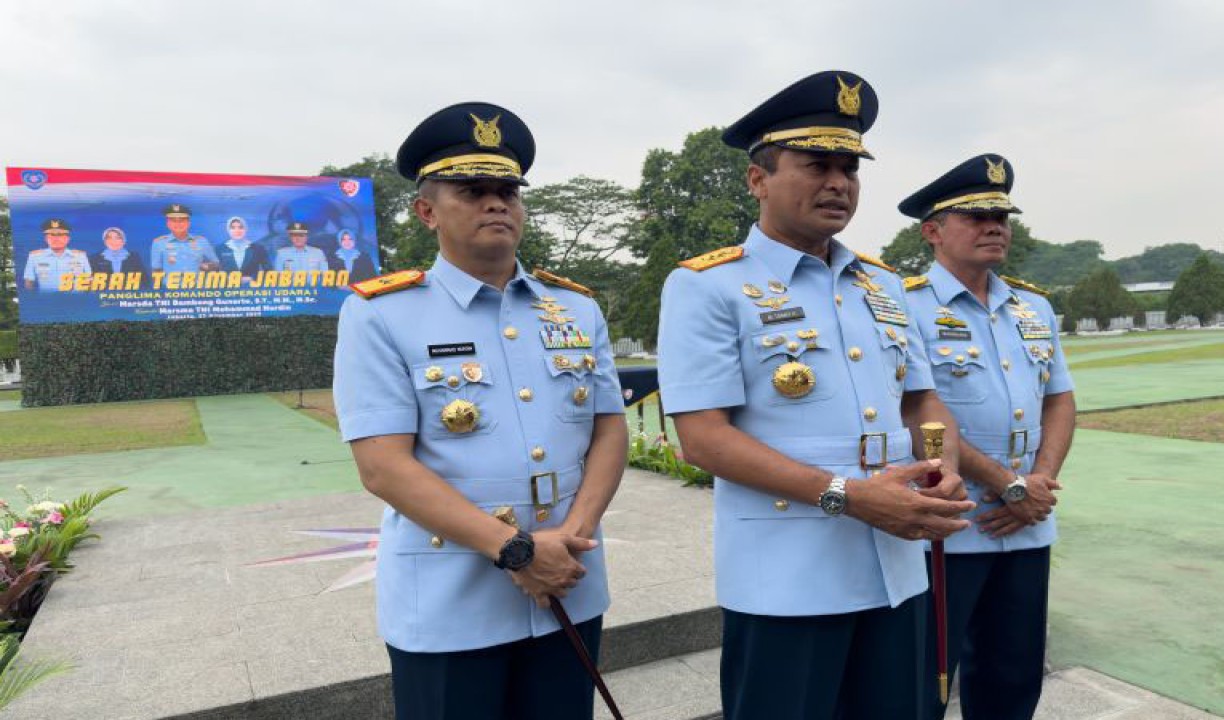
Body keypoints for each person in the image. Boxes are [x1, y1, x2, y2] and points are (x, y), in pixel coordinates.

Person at [657, 70, 975, 720]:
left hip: (895, 569)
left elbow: (920, 401)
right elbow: (702, 437)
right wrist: (849, 496)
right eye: (816, 165)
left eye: (850, 168)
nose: (839, 182)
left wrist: (944, 465)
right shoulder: (707, 287)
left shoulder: (882, 286)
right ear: (758, 179)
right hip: (786, 580)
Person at [332, 102, 628, 720]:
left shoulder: (574, 309)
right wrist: (518, 551)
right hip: (449, 599)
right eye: (473, 191)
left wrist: (570, 539)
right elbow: (383, 467)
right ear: (426, 211)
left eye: (508, 191)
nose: (498, 203)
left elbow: (608, 429)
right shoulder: (382, 312)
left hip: (568, 586)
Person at [898, 154, 1077, 720]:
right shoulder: (901, 305)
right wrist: (1007, 485)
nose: (994, 226)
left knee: (1014, 672)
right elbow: (915, 411)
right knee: (928, 677)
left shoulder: (1033, 307)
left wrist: (1038, 482)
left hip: (1026, 524)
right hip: (949, 527)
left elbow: (1060, 399)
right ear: (932, 231)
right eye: (975, 215)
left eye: (1002, 216)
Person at [22, 218, 91, 291]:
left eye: (60, 235)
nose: (56, 239)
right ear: (46, 239)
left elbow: (89, 282)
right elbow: (29, 283)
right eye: (52, 235)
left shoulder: (80, 256)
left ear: (68, 239)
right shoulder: (35, 257)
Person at [149, 204, 220, 272]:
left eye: (182, 220)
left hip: (196, 283)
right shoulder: (159, 243)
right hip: (169, 284)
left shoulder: (202, 241)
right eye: (173, 221)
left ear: (188, 223)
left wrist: (207, 266)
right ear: (168, 224)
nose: (178, 224)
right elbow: (156, 269)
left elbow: (216, 264)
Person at [214, 216, 269, 283]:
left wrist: (252, 279)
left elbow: (269, 272)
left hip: (251, 290)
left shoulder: (258, 248)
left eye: (240, 227)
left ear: (245, 229)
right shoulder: (220, 249)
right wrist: (227, 279)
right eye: (233, 228)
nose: (237, 231)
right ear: (228, 230)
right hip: (227, 290)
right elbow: (213, 274)